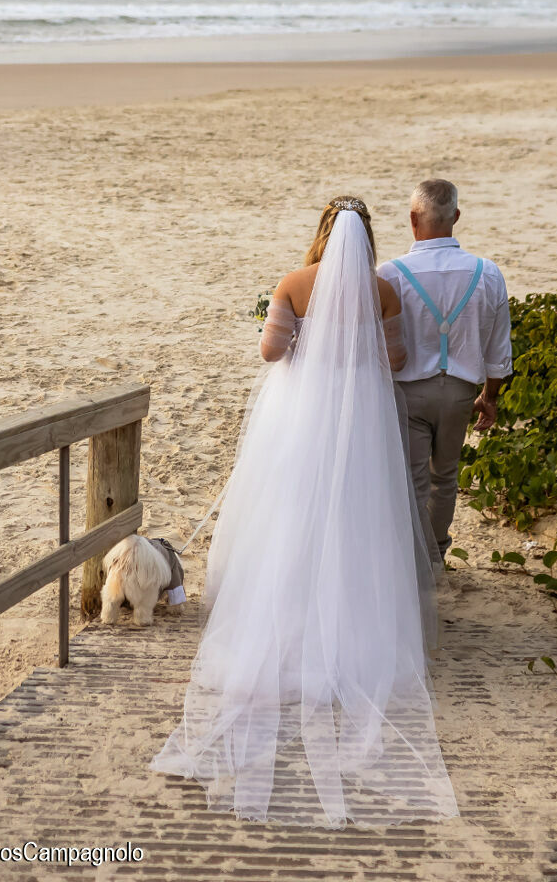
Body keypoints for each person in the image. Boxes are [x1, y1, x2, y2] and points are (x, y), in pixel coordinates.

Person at [152, 197, 458, 830]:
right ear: (365, 238)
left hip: (300, 414)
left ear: (322, 232)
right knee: (356, 523)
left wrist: (300, 339)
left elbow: (271, 353)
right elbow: (395, 362)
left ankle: (283, 635)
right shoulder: (382, 292)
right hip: (359, 416)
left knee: (289, 518)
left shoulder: (293, 282)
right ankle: (350, 638)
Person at [378, 180, 513, 560]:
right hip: (459, 392)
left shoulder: (391, 273)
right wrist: (489, 397)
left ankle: (413, 562)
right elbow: (499, 351)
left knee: (412, 481)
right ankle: (436, 554)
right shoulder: (487, 272)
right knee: (446, 478)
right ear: (456, 216)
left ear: (412, 219)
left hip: (408, 391)